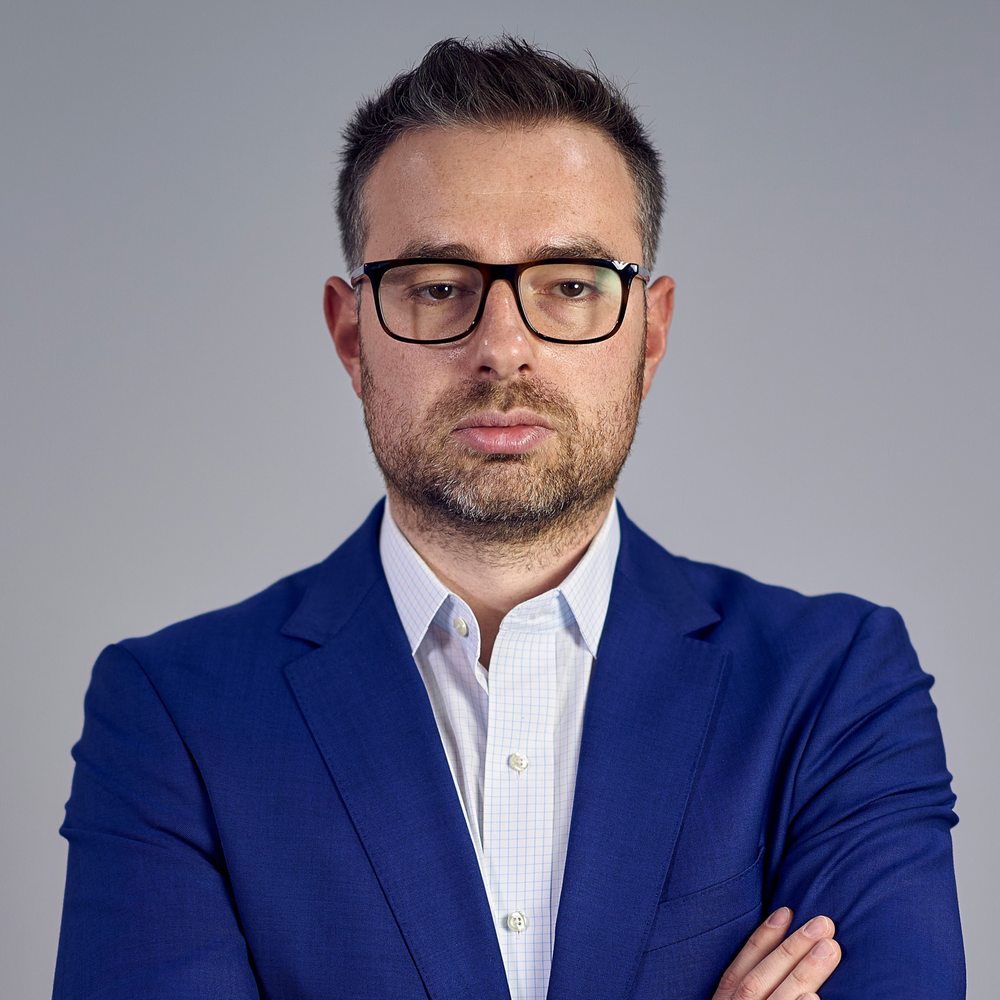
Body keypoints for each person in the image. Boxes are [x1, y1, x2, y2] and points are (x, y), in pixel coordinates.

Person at [53, 37, 964, 1000]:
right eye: (438, 287)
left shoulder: (835, 686)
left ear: (650, 332)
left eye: (569, 285)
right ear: (352, 335)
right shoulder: (173, 714)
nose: (503, 349)